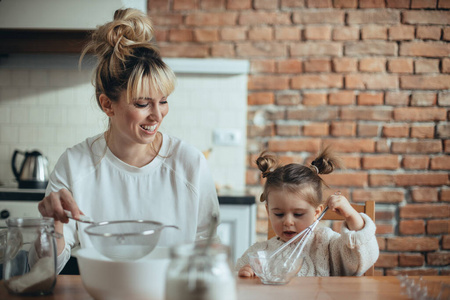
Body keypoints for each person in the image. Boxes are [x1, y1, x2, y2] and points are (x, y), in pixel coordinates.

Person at [37, 8, 220, 273]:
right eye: (143, 103)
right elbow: (45, 269)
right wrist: (50, 227)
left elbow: (209, 249)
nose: (157, 115)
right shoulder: (75, 164)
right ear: (107, 105)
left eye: (164, 101)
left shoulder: (190, 163)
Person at [236, 148, 379, 277]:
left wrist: (351, 216)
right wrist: (245, 273)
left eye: (298, 214)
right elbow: (235, 279)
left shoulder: (327, 244)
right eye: (279, 214)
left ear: (317, 213)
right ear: (268, 211)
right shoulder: (260, 253)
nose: (288, 222)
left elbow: (362, 259)